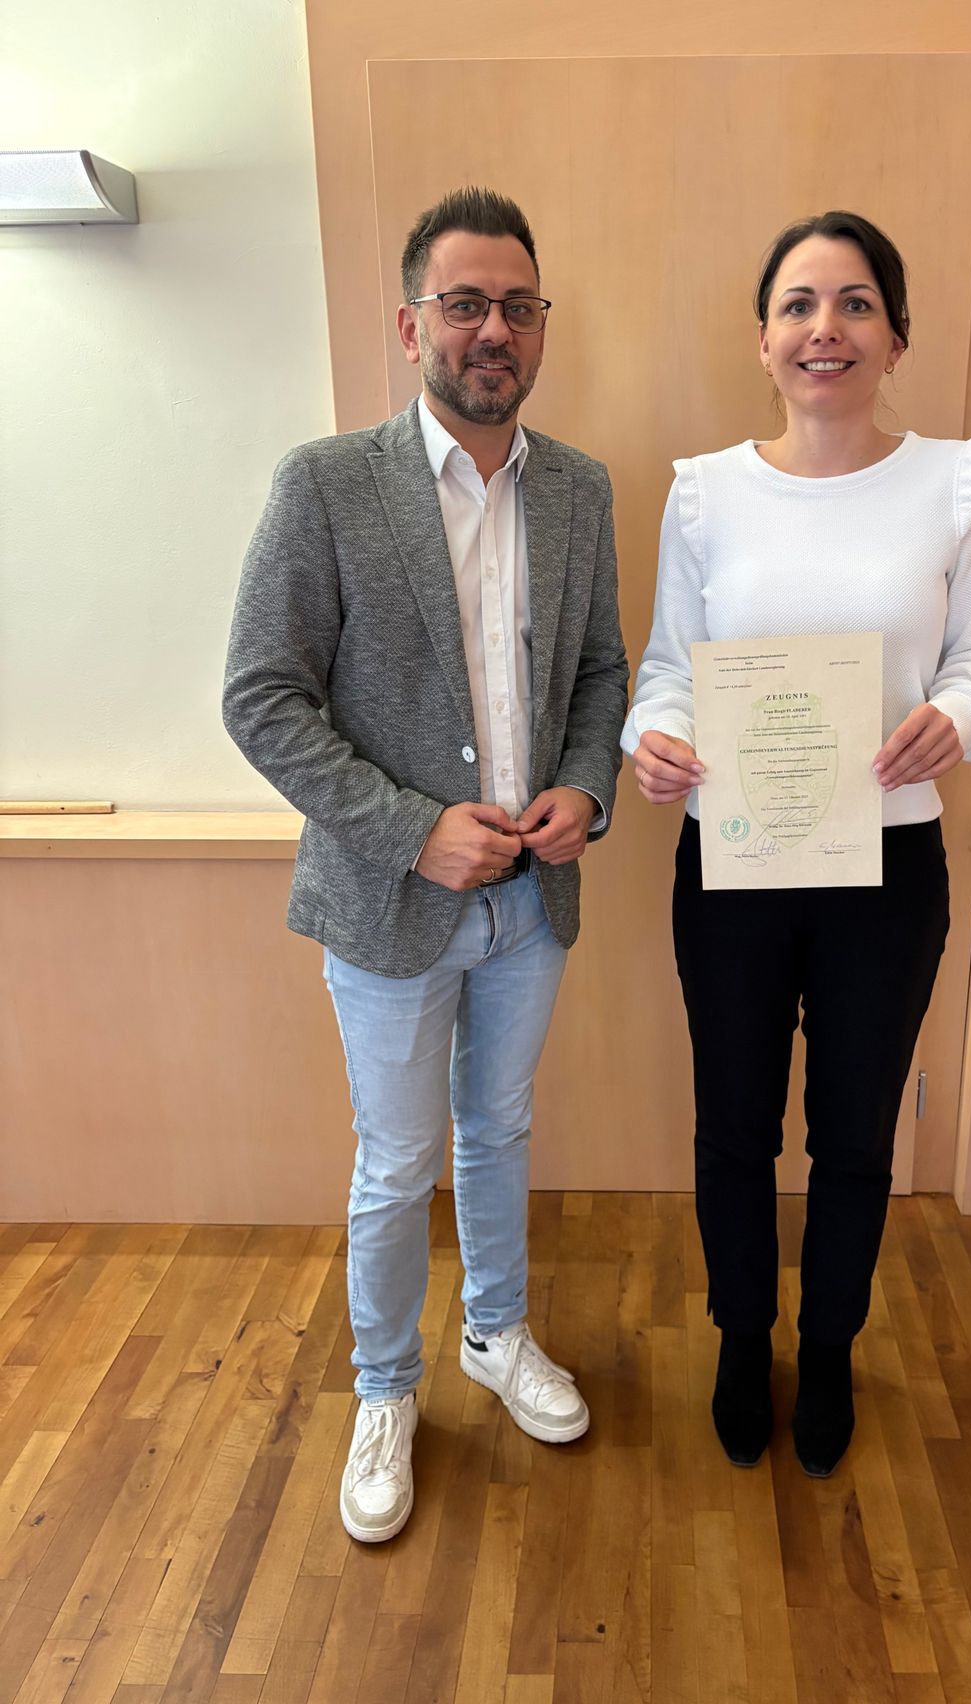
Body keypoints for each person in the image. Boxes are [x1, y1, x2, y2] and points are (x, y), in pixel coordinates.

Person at [224, 187, 628, 1541]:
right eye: (464, 302)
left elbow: (597, 674)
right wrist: (412, 826)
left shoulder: (577, 489)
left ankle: (494, 1335)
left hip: (531, 905)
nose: (492, 328)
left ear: (540, 326)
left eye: (517, 304)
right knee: (398, 1163)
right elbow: (263, 697)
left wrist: (582, 785)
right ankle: (387, 1385)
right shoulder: (326, 485)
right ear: (411, 325)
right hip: (389, 907)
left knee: (500, 1131)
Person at [621, 211, 971, 1477]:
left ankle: (833, 1343)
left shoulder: (954, 480)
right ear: (763, 339)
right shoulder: (705, 490)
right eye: (799, 305)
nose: (825, 329)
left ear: (895, 335)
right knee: (734, 1125)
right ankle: (747, 1335)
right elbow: (665, 674)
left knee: (855, 1135)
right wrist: (657, 742)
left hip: (889, 869)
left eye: (855, 304)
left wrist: (951, 720)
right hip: (733, 866)